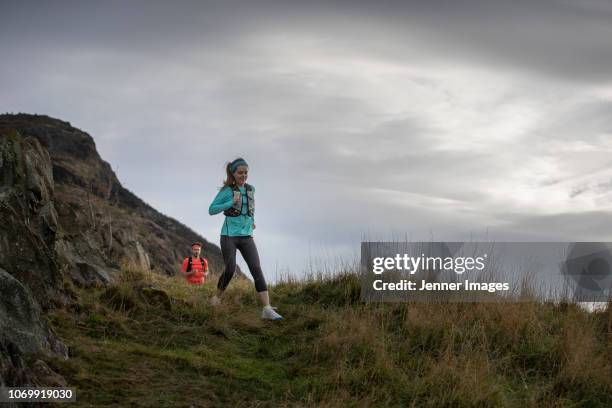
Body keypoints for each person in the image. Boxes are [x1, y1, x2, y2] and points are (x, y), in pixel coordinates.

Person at [208, 157, 283, 320]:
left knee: (256, 268)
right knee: (230, 269)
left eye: (246, 172)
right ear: (233, 174)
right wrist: (229, 202)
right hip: (229, 236)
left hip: (247, 236)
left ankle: (267, 308)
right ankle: (216, 298)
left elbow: (250, 208)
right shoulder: (227, 191)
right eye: (240, 173)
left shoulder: (251, 189)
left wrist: (252, 221)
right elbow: (211, 210)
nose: (243, 175)